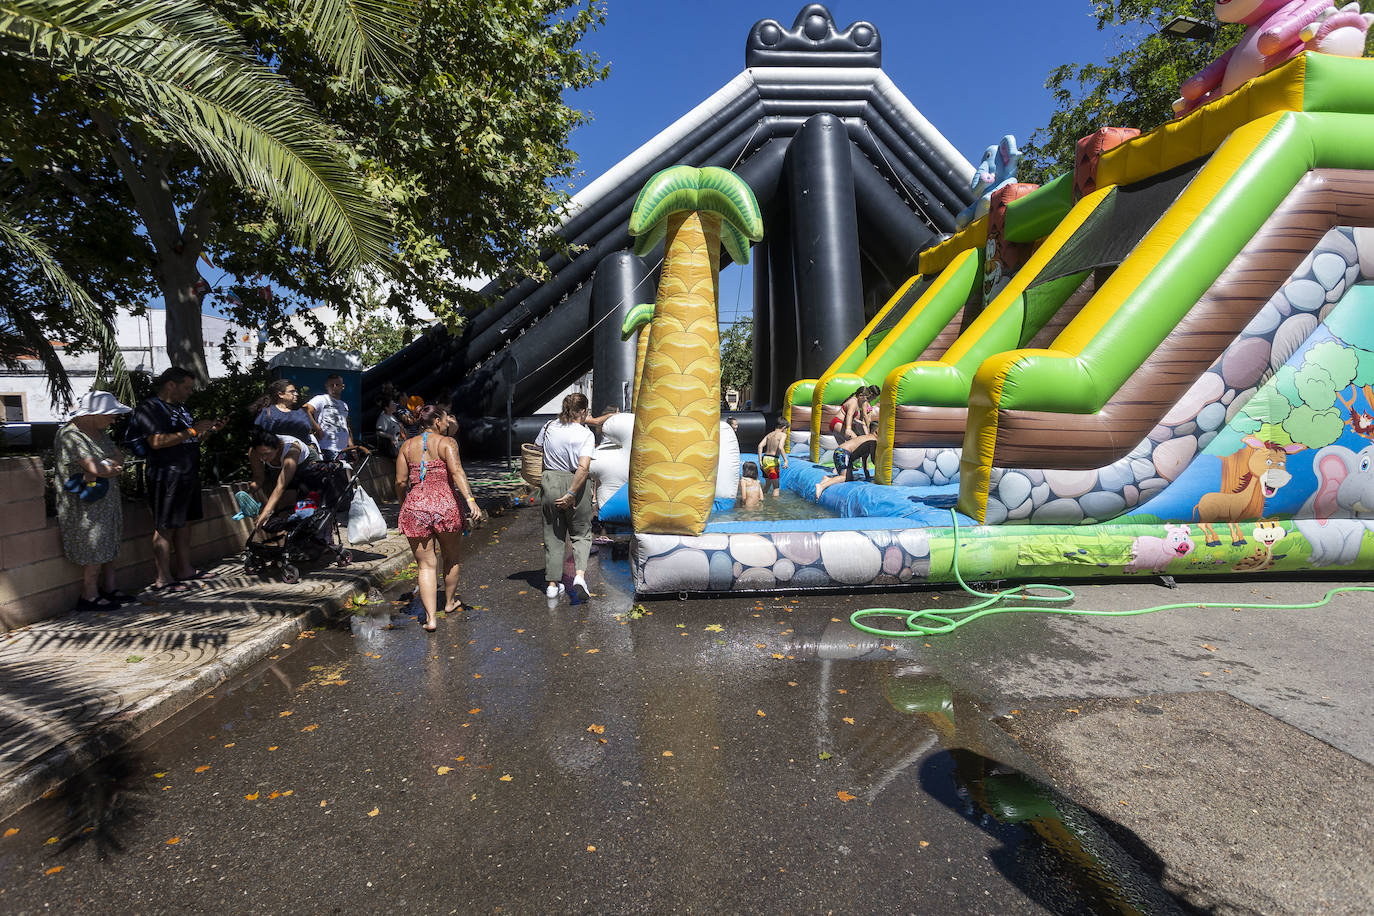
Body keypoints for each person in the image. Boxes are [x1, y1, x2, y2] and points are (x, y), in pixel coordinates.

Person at [130, 367, 227, 593]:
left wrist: (210, 430)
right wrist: (192, 431)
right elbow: (156, 441)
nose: (189, 392)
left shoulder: (181, 408)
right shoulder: (150, 408)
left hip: (187, 472)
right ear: (170, 385)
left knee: (185, 523)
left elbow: (190, 439)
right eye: (186, 387)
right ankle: (163, 578)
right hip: (166, 474)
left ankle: (185, 569)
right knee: (166, 526)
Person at [395, 406, 481, 631]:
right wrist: (470, 500)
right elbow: (457, 472)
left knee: (425, 566)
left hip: (416, 508)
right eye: (445, 420)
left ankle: (431, 619)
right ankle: (449, 603)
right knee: (451, 558)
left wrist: (404, 503)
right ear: (436, 421)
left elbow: (400, 482)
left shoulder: (406, 446)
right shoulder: (447, 443)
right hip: (445, 507)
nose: (446, 424)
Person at [54, 391, 133, 610]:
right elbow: (95, 467)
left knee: (108, 540)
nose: (113, 420)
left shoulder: (100, 433)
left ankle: (110, 587)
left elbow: (119, 458)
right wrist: (110, 467)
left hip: (106, 499)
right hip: (85, 504)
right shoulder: (71, 435)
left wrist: (107, 467)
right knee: (94, 545)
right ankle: (89, 595)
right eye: (110, 415)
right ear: (93, 414)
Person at [536, 392, 595, 601]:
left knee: (553, 533)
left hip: (550, 480)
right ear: (582, 411)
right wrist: (571, 493)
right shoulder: (585, 434)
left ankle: (552, 585)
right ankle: (579, 576)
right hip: (576, 483)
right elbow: (583, 467)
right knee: (580, 533)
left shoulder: (548, 426)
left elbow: (537, 449)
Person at [250, 379, 322, 453]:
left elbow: (309, 433)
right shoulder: (268, 412)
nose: (296, 394)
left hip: (303, 452)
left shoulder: (301, 412)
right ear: (280, 394)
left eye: (296, 391)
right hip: (275, 454)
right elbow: (258, 435)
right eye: (292, 392)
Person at [304, 373, 354, 461]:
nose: (334, 387)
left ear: (342, 387)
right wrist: (317, 428)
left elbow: (347, 427)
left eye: (337, 385)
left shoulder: (344, 405)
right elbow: (305, 409)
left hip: (343, 449)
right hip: (327, 447)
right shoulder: (321, 399)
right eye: (331, 385)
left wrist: (352, 447)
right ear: (326, 386)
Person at [815, 433, 878, 500]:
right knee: (845, 477)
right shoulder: (873, 441)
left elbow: (864, 461)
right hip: (843, 453)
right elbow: (874, 461)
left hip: (843, 453)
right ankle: (821, 486)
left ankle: (828, 479)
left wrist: (868, 478)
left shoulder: (867, 441)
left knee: (849, 478)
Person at [757, 417, 790, 497]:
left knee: (768, 484)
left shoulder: (769, 435)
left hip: (765, 459)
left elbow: (760, 446)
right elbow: (780, 447)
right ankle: (775, 504)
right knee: (776, 487)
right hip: (773, 460)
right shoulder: (783, 435)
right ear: (784, 427)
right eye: (786, 429)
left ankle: (760, 498)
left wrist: (760, 461)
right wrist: (786, 460)